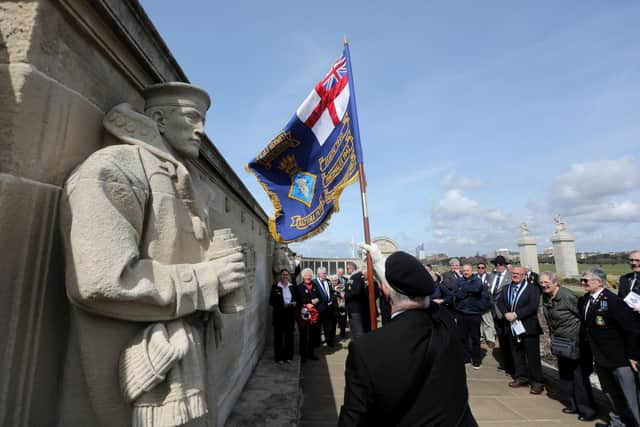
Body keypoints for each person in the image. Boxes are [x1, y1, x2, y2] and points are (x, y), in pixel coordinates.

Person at [58, 83, 247, 425]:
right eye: (191, 117)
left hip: (186, 375)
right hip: (130, 388)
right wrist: (209, 278)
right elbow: (101, 280)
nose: (201, 130)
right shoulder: (113, 168)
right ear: (158, 119)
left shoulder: (187, 184)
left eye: (203, 120)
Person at [338, 246, 477, 426]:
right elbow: (429, 303)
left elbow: (353, 419)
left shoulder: (366, 349)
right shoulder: (446, 321)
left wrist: (379, 265)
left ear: (384, 291)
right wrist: (380, 264)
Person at [579, 269, 640, 427]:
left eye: (586, 281)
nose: (583, 283)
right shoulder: (586, 299)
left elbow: (632, 329)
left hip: (619, 358)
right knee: (611, 394)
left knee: (631, 397)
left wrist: (633, 355)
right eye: (582, 280)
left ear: (599, 282)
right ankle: (618, 422)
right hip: (600, 357)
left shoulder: (613, 301)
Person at [540, 272, 597, 421]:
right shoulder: (546, 296)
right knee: (565, 375)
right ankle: (572, 404)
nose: (544, 285)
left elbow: (584, 316)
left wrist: (582, 339)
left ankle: (587, 410)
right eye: (541, 283)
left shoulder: (568, 296)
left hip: (575, 342)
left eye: (546, 282)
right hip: (560, 343)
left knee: (579, 377)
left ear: (555, 283)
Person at [497, 266, 544, 394]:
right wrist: (506, 313)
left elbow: (533, 306)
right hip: (511, 327)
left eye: (518, 273)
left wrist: (516, 315)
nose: (515, 275)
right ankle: (521, 377)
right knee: (517, 354)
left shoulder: (532, 289)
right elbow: (500, 302)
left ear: (524, 275)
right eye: (513, 273)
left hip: (528, 327)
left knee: (532, 356)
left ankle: (537, 382)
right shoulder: (506, 288)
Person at [454, 264, 487, 369]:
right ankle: (465, 357)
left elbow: (476, 289)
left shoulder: (477, 280)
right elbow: (456, 293)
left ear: (471, 270)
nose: (465, 272)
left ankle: (477, 360)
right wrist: (467, 291)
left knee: (475, 338)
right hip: (461, 312)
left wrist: (463, 289)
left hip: (474, 313)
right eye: (464, 271)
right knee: (462, 337)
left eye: (467, 270)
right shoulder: (458, 280)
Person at [490, 255, 513, 375]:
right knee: (502, 339)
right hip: (494, 312)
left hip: (506, 312)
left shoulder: (510, 276)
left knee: (509, 339)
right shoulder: (492, 276)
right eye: (496, 265)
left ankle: (511, 365)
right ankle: (504, 363)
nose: (497, 267)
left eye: (500, 265)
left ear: (504, 265)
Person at [270, 269, 299, 364]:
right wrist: (283, 305)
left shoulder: (293, 287)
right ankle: (279, 358)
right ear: (280, 276)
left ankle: (288, 356)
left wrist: (295, 303)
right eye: (283, 275)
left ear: (289, 276)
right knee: (278, 337)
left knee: (289, 337)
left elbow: (298, 299)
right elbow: (271, 302)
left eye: (286, 275)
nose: (285, 276)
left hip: (290, 315)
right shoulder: (275, 287)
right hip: (279, 315)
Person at [298, 268, 321, 363]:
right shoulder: (300, 287)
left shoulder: (315, 285)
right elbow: (299, 298)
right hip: (303, 315)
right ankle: (303, 356)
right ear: (303, 276)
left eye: (310, 275)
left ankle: (311, 354)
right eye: (306, 275)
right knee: (303, 335)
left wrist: (317, 300)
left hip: (313, 314)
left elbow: (320, 296)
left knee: (313, 335)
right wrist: (308, 302)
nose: (308, 276)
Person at [314, 267, 336, 347]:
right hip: (319, 308)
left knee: (328, 326)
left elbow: (331, 292)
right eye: (323, 273)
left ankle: (329, 341)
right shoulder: (314, 282)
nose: (325, 274)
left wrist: (332, 300)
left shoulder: (328, 281)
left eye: (326, 273)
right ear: (319, 273)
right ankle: (317, 342)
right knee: (318, 327)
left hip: (328, 308)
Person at [476, 261, 496, 349]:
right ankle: (481, 338)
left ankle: (490, 339)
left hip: (487, 303)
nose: (480, 269)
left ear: (485, 269)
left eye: (482, 268)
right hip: (476, 304)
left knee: (488, 322)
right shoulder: (474, 278)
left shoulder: (490, 277)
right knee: (479, 322)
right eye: (479, 268)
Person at [345, 262, 367, 339]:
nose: (347, 269)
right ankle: (356, 346)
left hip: (355, 308)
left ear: (352, 268)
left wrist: (344, 295)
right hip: (351, 308)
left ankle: (361, 348)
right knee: (353, 329)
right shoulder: (352, 277)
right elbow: (350, 289)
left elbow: (356, 291)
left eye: (348, 268)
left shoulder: (356, 276)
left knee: (358, 330)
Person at [331, 274, 348, 339]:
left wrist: (339, 293)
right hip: (333, 307)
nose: (335, 282)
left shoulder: (341, 286)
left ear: (338, 280)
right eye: (333, 280)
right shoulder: (330, 287)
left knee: (342, 322)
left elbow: (344, 294)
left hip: (342, 306)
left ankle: (343, 334)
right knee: (333, 323)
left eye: (336, 280)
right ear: (331, 281)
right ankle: (333, 336)